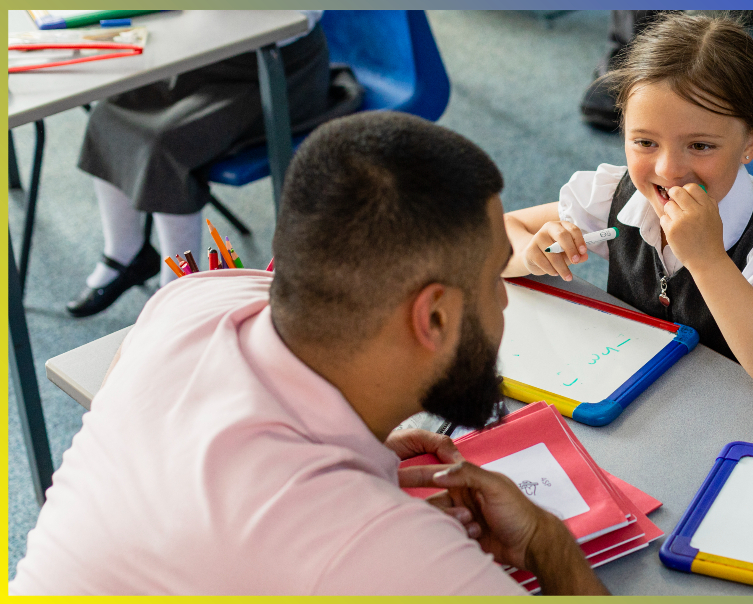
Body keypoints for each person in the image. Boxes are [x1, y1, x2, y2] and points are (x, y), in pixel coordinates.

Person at [10, 112, 608, 595]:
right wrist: (545, 542)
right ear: (433, 317)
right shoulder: (384, 551)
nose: (504, 303)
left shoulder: (195, 301)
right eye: (492, 282)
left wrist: (361, 456)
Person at [505, 13, 753, 403]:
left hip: (725, 420)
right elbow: (497, 236)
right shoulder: (615, 195)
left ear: (752, 140)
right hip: (628, 400)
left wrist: (708, 260)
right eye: (645, 142)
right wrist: (530, 254)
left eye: (700, 146)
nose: (668, 170)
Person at [66, 10, 332, 318]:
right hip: (202, 53)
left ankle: (179, 285)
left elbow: (290, 18)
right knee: (108, 116)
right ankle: (124, 252)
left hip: (274, 67)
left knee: (165, 145)